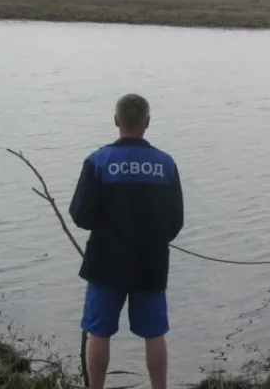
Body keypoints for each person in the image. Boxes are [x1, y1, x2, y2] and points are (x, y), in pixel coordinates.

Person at [69, 93, 184, 389]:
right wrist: (154, 236)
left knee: (99, 332)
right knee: (154, 333)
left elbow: (80, 216)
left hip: (106, 264)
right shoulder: (166, 164)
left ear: (116, 121)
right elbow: (175, 221)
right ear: (147, 122)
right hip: (151, 263)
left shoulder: (98, 161)